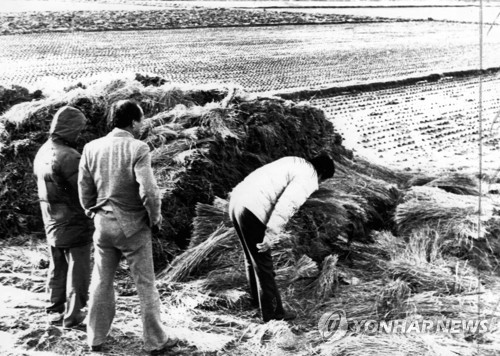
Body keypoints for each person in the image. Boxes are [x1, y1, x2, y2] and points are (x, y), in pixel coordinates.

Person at [78, 100, 177, 354]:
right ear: (133, 122)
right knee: (145, 284)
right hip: (133, 227)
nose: (142, 124)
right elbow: (149, 191)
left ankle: (96, 338)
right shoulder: (138, 147)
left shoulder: (91, 147)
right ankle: (155, 341)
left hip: (102, 224)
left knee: (101, 280)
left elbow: (84, 188)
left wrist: (92, 211)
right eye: (141, 120)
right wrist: (154, 218)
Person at [228, 154, 335, 322]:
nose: (319, 184)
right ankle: (274, 315)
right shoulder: (309, 176)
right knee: (264, 265)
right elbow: (288, 203)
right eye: (322, 181)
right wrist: (271, 233)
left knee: (252, 260)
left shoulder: (293, 162)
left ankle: (259, 303)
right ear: (321, 174)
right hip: (252, 209)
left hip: (237, 202)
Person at [33, 106, 93, 329]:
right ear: (70, 128)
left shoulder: (42, 152)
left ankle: (54, 310)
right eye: (78, 128)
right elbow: (83, 191)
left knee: (57, 266)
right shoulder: (69, 156)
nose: (80, 133)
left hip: (51, 218)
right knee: (79, 269)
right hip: (74, 221)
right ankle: (74, 315)